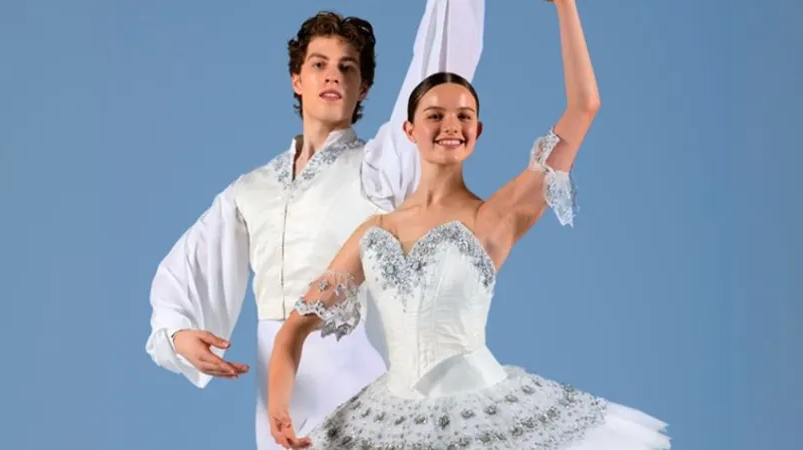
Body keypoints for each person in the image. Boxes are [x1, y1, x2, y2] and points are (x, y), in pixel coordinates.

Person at [266, 1, 672, 449]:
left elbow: (585, 107)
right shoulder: (372, 233)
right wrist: (279, 408)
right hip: (387, 419)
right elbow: (294, 328)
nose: (450, 125)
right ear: (409, 130)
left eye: (463, 116)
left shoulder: (495, 215)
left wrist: (565, 7)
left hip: (477, 410)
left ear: (478, 132)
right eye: (435, 115)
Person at [144, 2, 485, 449]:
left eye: (347, 68)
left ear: (363, 87)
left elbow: (439, 72)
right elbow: (188, 267)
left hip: (361, 370)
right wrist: (177, 332)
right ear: (296, 79)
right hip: (280, 388)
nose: (332, 76)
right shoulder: (252, 189)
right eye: (319, 64)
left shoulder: (380, 167)